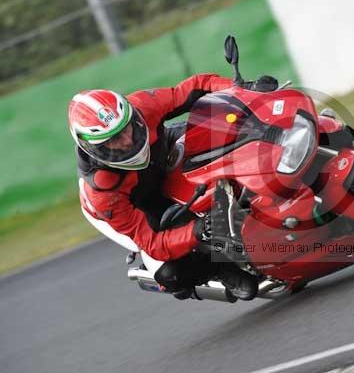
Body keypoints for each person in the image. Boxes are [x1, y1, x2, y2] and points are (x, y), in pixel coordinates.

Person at [68, 73, 277, 300]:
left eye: (127, 129)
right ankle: (220, 267)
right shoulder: (102, 192)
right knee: (170, 273)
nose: (127, 141)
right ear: (93, 148)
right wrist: (199, 229)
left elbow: (194, 88)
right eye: (113, 140)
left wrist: (242, 90)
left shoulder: (142, 106)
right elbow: (154, 243)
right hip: (138, 202)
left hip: (163, 151)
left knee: (228, 133)